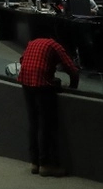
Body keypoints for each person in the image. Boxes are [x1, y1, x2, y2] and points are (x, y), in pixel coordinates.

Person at [17, 32, 79, 177]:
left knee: (33, 122)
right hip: (41, 84)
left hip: (25, 80)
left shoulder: (32, 42)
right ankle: (45, 165)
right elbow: (72, 70)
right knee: (45, 124)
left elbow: (22, 60)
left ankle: (34, 163)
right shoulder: (55, 45)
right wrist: (73, 90)